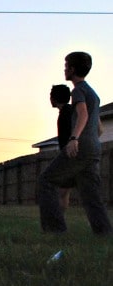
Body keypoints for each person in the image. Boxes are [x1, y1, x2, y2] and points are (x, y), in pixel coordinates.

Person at [38, 52, 112, 235]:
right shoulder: (92, 93)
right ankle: (104, 233)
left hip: (81, 146)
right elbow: (99, 128)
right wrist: (88, 137)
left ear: (72, 69)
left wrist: (74, 138)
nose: (64, 69)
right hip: (94, 147)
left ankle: (55, 230)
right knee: (91, 194)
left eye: (66, 66)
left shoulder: (78, 90)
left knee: (46, 181)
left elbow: (83, 114)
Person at [49, 84, 73, 212]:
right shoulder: (67, 111)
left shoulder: (66, 113)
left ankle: (57, 220)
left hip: (70, 157)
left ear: (55, 98)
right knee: (64, 191)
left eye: (50, 96)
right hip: (69, 156)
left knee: (60, 191)